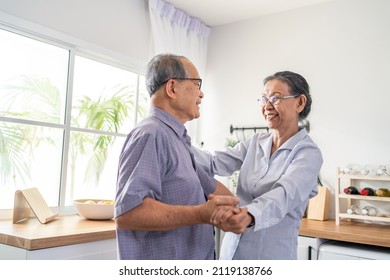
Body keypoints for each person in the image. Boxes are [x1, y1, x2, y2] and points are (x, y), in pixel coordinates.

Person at [114, 53, 244, 260]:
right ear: (172, 88)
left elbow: (210, 187)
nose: (201, 95)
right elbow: (129, 213)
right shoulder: (151, 134)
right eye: (196, 84)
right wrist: (201, 214)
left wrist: (235, 212)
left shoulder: (178, 139)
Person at [193, 71, 323, 259]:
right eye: (263, 99)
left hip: (270, 255)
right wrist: (177, 141)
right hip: (232, 252)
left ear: (300, 103)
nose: (267, 106)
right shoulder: (256, 142)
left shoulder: (308, 154)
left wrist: (248, 215)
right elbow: (214, 162)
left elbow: (283, 195)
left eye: (275, 98)